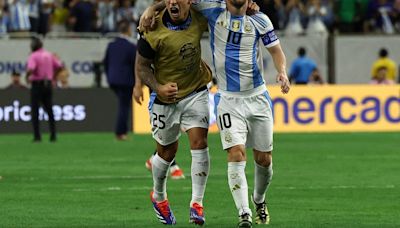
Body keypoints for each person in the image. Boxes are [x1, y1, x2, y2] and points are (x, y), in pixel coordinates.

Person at [135, 0, 213, 224]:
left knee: (200, 142)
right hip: (165, 99)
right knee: (167, 153)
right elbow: (141, 66)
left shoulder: (199, 17)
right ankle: (159, 196)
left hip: (196, 91)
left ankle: (196, 203)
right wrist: (157, 87)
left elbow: (225, 8)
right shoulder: (152, 27)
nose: (172, 3)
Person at [103, 19, 137, 141]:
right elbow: (137, 64)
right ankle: (120, 132)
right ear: (128, 30)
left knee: (122, 105)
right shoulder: (131, 47)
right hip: (125, 81)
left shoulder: (111, 45)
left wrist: (108, 77)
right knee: (124, 106)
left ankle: (121, 131)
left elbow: (105, 63)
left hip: (113, 80)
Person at [26, 36, 63, 142]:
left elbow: (31, 69)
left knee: (35, 111)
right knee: (50, 110)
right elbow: (60, 66)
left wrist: (27, 76)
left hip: (37, 85)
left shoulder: (33, 56)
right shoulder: (49, 55)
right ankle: (53, 135)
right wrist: (54, 77)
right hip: (48, 85)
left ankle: (37, 136)